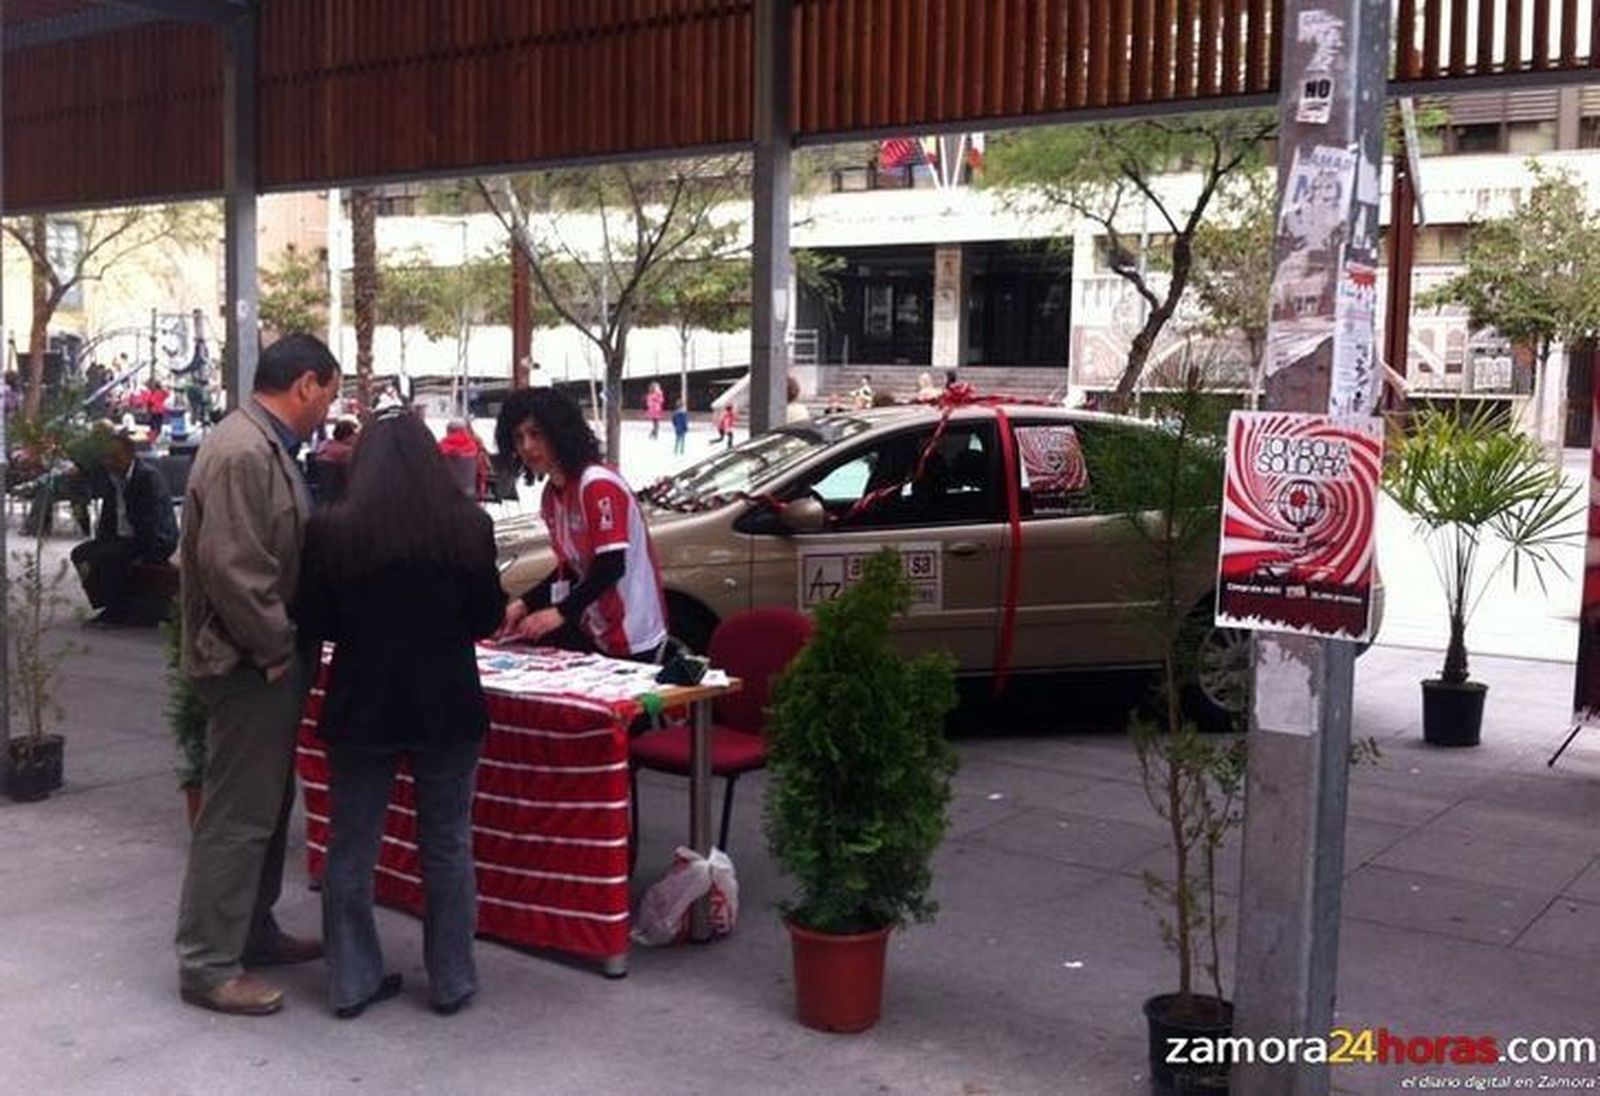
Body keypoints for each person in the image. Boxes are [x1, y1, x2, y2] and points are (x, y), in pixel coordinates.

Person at [295, 411, 503, 1020]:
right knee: (446, 842)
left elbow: (315, 622)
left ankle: (352, 980)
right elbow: (486, 618)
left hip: (363, 703)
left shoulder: (332, 529)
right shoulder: (467, 524)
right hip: (446, 701)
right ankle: (451, 980)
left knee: (351, 846)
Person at [175, 333, 343, 1017]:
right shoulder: (244, 450)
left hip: (262, 660)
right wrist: (276, 649)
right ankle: (208, 964)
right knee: (239, 817)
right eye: (328, 396)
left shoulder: (261, 444)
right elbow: (235, 571)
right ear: (305, 384)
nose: (328, 412)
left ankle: (252, 930)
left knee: (266, 810)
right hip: (249, 664)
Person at [494, 388, 668, 661]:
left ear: (560, 433)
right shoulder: (551, 496)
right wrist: (523, 604)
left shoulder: (597, 484)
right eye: (518, 438)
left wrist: (559, 613)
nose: (526, 446)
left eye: (536, 434)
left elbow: (611, 565)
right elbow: (571, 570)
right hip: (595, 630)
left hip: (635, 636)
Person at [69, 426, 179, 626]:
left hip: (151, 538)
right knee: (81, 554)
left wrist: (142, 550)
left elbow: (151, 522)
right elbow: (108, 516)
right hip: (122, 537)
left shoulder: (146, 477)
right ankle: (105, 602)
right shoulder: (111, 477)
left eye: (115, 457)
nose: (109, 462)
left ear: (130, 455)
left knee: (110, 557)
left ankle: (117, 610)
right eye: (106, 457)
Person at [437, 418, 490, 499]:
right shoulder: (473, 446)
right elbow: (482, 471)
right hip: (469, 493)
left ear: (448, 431)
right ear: (464, 430)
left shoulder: (439, 447)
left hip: (444, 494)